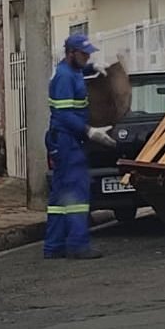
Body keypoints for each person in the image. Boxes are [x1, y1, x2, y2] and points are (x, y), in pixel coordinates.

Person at [44, 33, 116, 260]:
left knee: (59, 197)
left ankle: (54, 246)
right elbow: (63, 114)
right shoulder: (64, 78)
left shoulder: (71, 71)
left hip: (63, 140)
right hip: (67, 140)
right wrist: (90, 131)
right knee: (76, 191)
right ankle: (77, 244)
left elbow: (79, 72)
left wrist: (94, 67)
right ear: (71, 53)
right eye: (84, 54)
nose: (87, 57)